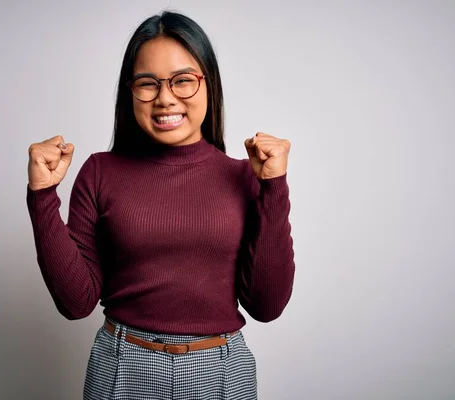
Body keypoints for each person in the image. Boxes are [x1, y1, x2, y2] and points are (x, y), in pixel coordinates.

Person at [26, 11, 295, 400]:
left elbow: (267, 306)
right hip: (121, 366)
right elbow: (76, 302)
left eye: (183, 80)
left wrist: (274, 188)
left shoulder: (245, 176)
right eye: (148, 83)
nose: (165, 97)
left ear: (209, 84)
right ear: (129, 90)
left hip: (220, 372)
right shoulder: (101, 171)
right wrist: (42, 198)